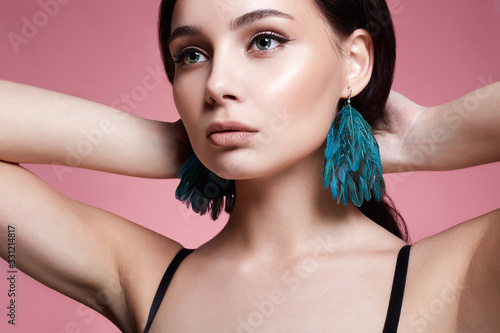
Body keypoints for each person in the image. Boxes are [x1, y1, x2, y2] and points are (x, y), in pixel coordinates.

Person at [1, 0, 499, 332]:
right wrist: (171, 143)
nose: (217, 84)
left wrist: (426, 138)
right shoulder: (146, 279)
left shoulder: (455, 278)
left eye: (264, 41)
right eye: (192, 55)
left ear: (354, 63)